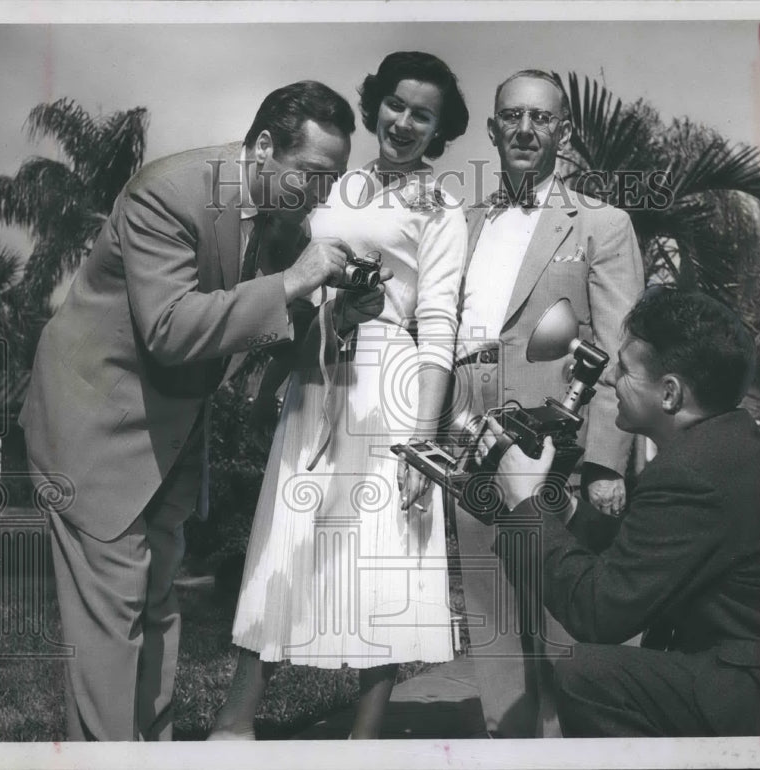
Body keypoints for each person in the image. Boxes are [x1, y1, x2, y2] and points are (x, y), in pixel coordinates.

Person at [19, 80, 361, 741]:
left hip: (172, 432)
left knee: (156, 606)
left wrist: (335, 307)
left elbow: (268, 324)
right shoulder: (169, 192)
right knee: (111, 619)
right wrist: (293, 281)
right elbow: (170, 329)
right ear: (264, 147)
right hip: (95, 427)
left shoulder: (286, 220)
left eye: (334, 181)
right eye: (314, 176)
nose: (322, 196)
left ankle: (154, 747)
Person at [476, 288, 760, 736]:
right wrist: (554, 505)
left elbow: (598, 614)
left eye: (625, 369)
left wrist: (523, 504)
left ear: (671, 393)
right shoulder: (722, 450)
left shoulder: (696, 470)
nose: (610, 379)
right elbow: (637, 558)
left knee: (588, 675)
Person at [209, 51, 470, 740]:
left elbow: (438, 326)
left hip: (391, 388)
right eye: (396, 104)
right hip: (317, 366)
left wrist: (425, 439)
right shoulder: (333, 185)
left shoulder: (441, 207)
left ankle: (365, 737)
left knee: (385, 552)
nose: (405, 122)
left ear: (440, 129)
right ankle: (235, 722)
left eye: (424, 114)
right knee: (283, 540)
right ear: (375, 101)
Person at [447, 69, 644, 737]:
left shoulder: (602, 224)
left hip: (557, 456)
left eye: (541, 117)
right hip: (473, 450)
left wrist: (608, 465)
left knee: (568, 634)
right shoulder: (463, 222)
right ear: (493, 128)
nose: (526, 129)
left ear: (563, 130)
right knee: (495, 629)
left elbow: (623, 353)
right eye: (512, 116)